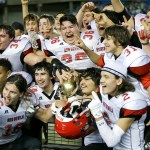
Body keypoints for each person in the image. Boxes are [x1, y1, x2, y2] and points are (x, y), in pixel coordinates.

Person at [75, 25, 150, 97]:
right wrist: (84, 48)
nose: (104, 42)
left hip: (138, 101)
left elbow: (148, 82)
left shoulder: (134, 57)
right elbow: (99, 60)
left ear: (119, 41)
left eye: (108, 39)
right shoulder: (110, 55)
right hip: (121, 97)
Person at [88, 61, 148, 150]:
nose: (101, 81)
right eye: (101, 76)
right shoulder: (105, 91)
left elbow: (111, 141)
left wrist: (98, 115)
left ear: (119, 81)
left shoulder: (132, 101)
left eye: (106, 77)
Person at [0, 74, 40, 150]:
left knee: (34, 143)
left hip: (16, 140)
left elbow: (27, 126)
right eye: (6, 89)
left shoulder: (28, 102)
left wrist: (28, 118)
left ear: (21, 94)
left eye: (13, 92)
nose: (7, 95)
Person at [77, 68, 111, 150]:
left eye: (87, 79)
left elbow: (93, 126)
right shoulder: (80, 100)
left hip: (105, 144)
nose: (82, 83)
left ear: (98, 82)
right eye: (81, 79)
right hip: (89, 144)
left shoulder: (104, 98)